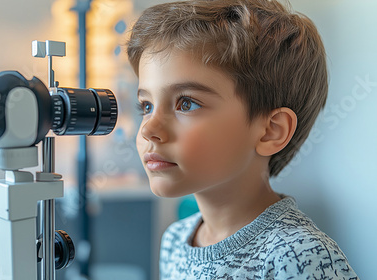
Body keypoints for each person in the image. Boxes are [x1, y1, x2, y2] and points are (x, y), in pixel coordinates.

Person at [126, 0, 359, 279]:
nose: (148, 129)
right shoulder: (175, 241)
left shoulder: (301, 256)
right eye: (146, 105)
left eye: (186, 104)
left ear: (271, 131)